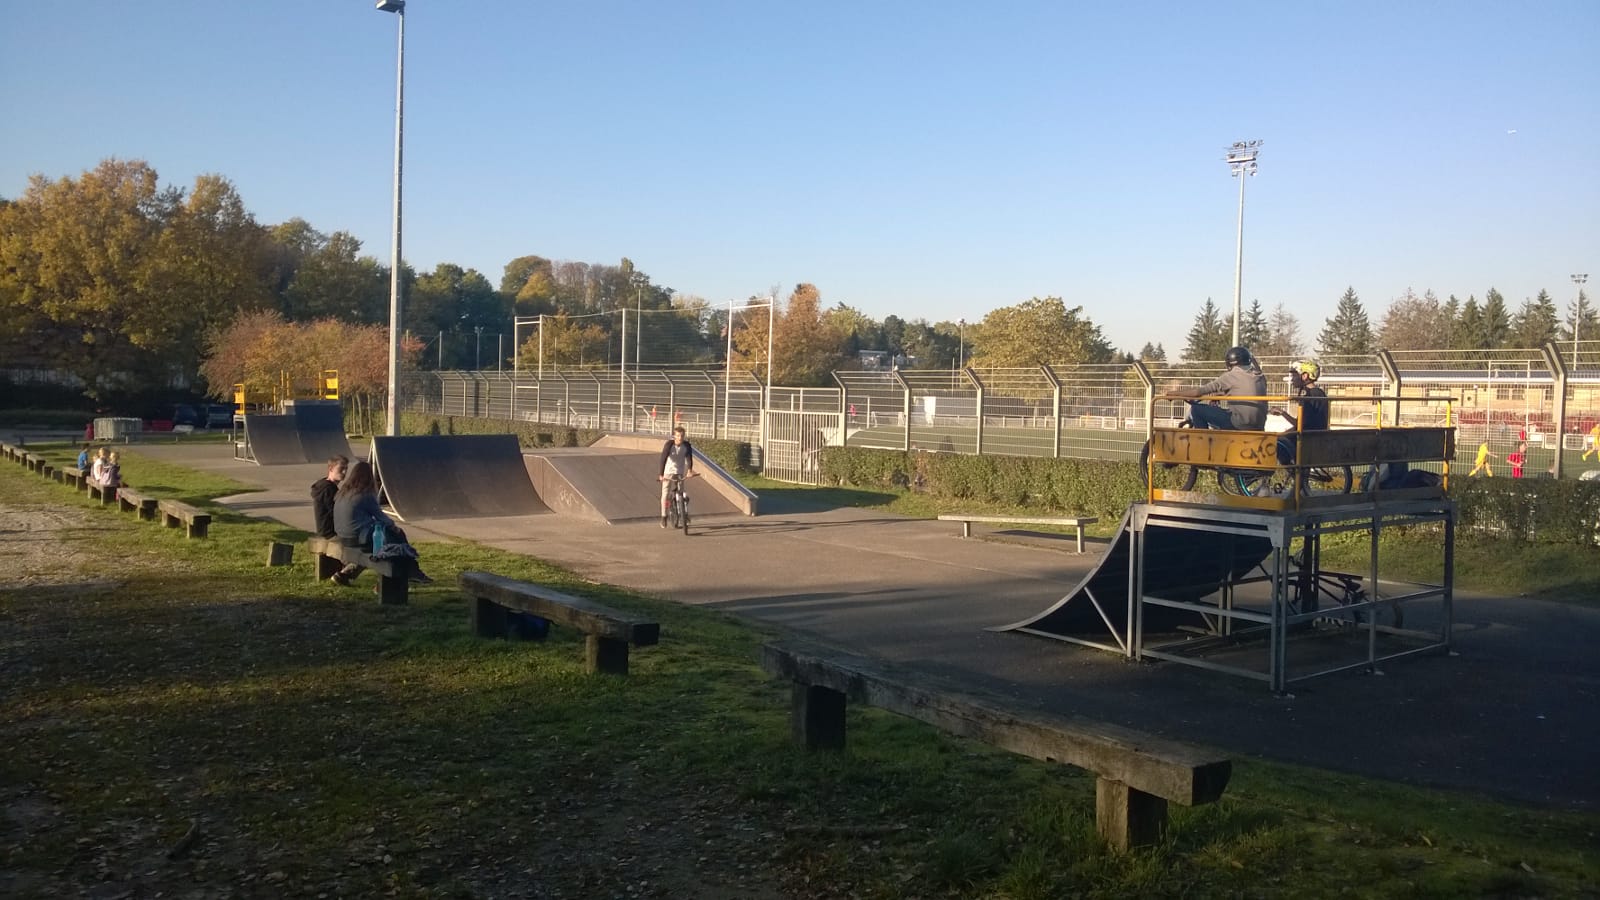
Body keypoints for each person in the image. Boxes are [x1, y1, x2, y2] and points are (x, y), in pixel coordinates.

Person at [333, 461, 431, 585]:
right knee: (397, 538)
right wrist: (393, 527)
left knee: (372, 550)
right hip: (358, 537)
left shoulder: (342, 493)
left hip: (343, 537)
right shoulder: (364, 495)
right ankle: (413, 572)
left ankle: (346, 574)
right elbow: (381, 517)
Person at [1167, 346, 1268, 431]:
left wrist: (1173, 393)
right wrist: (1219, 395)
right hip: (1258, 426)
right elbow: (1244, 391)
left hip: (1239, 425)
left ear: (1229, 363)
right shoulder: (1260, 376)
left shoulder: (1231, 375)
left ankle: (1203, 445)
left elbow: (1198, 392)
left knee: (1197, 409)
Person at [311, 455, 365, 583]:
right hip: (331, 533)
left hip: (330, 530)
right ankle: (343, 576)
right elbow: (337, 514)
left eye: (346, 469)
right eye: (341, 469)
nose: (345, 472)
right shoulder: (328, 489)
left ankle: (344, 575)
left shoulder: (325, 486)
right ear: (330, 469)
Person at [1274, 359, 1329, 465]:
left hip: (1307, 438)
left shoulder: (1308, 397)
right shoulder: (1319, 393)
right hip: (1316, 435)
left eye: (1294, 376)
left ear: (1305, 376)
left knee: (1278, 443)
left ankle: (1295, 473)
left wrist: (1282, 413)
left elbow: (1299, 424)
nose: (1292, 379)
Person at [658, 425, 696, 528]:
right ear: (674, 436)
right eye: (678, 436)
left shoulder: (686, 446)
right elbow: (663, 459)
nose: (680, 438)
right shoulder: (669, 445)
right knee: (665, 494)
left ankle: (685, 514)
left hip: (679, 472)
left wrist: (689, 471)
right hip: (668, 472)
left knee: (682, 494)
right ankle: (664, 517)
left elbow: (689, 459)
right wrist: (661, 475)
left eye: (682, 436)